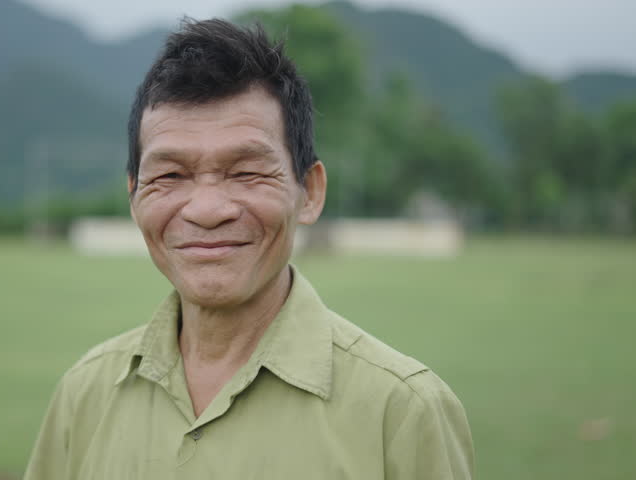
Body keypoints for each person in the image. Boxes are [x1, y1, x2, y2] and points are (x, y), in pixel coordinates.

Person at [23, 18, 473, 480]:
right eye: (171, 175)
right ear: (134, 196)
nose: (208, 209)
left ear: (310, 191)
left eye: (247, 172)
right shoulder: (84, 394)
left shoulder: (402, 412)